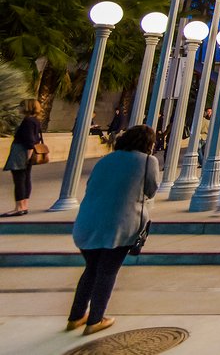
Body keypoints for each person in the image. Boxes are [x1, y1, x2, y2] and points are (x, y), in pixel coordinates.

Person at [68, 124, 158, 335]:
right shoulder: (147, 161)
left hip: (87, 223)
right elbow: (151, 190)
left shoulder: (106, 159)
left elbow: (91, 185)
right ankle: (95, 319)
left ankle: (76, 316)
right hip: (119, 224)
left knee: (91, 270)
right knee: (107, 271)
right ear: (148, 143)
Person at [3, 99, 44, 217]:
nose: (19, 108)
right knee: (26, 179)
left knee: (19, 180)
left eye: (21, 105)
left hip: (22, 153)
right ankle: (24, 205)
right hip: (27, 153)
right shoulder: (36, 121)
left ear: (27, 107)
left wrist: (28, 156)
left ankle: (19, 207)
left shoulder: (28, 121)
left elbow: (29, 140)